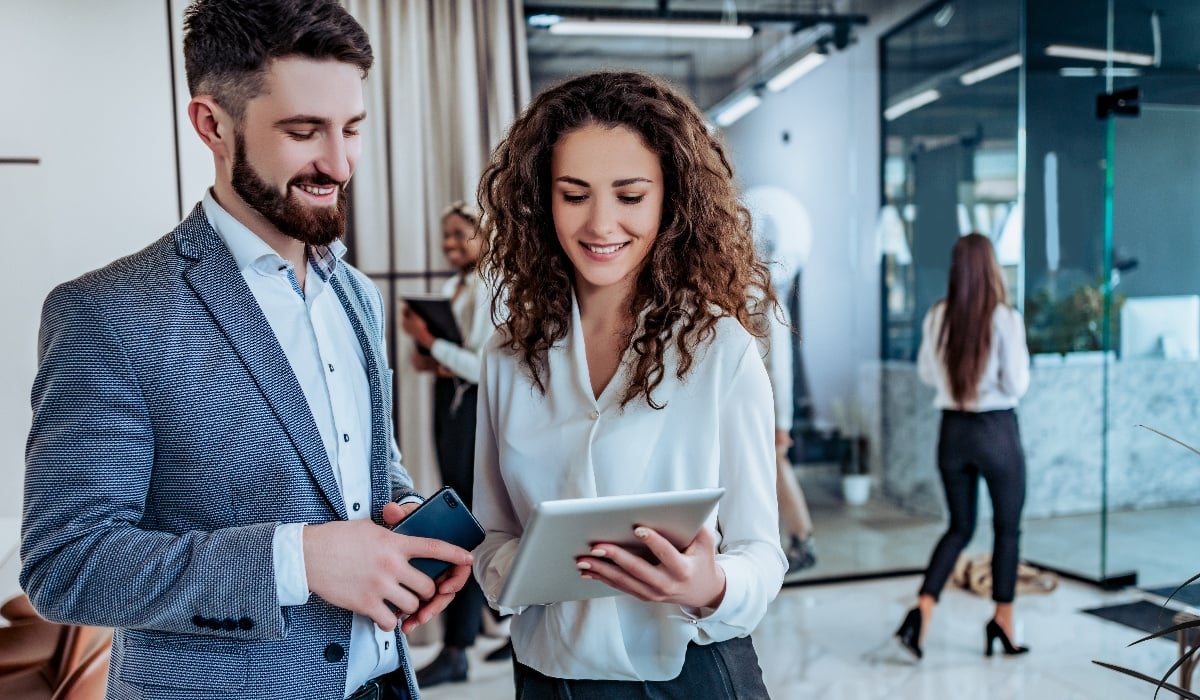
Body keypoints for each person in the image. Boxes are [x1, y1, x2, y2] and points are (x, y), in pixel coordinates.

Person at [20, 2, 474, 698]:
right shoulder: (106, 314)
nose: (339, 161)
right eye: (303, 131)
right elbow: (68, 566)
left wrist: (410, 529)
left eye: (351, 128)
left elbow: (368, 467)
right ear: (212, 125)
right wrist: (297, 561)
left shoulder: (355, 292)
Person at [472, 70, 786, 697]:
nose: (601, 223)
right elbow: (493, 534)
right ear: (542, 200)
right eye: (574, 194)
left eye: (630, 195)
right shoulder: (508, 353)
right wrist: (520, 573)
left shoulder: (719, 349)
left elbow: (762, 552)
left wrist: (710, 586)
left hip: (691, 672)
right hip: (550, 676)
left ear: (672, 200)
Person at [895, 232, 1031, 661]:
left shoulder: (937, 316)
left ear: (956, 270)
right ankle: (1003, 621)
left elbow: (927, 375)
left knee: (959, 526)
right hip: (996, 432)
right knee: (1007, 529)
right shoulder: (1004, 317)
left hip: (952, 433)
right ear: (991, 268)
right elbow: (1017, 384)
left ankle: (923, 608)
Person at [400, 201, 502, 687]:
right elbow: (444, 362)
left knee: (467, 521)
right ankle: (468, 638)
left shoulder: (494, 288)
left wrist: (432, 343)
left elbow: (485, 366)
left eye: (461, 235)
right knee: (459, 511)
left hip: (479, 414)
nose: (451, 245)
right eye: (446, 236)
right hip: (450, 405)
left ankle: (458, 646)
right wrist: (425, 352)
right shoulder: (450, 288)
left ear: (485, 236)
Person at [760, 294, 818, 573]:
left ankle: (803, 540)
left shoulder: (771, 306)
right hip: (757, 409)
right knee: (773, 472)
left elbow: (781, 371)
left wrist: (782, 423)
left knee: (778, 469)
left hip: (768, 411)